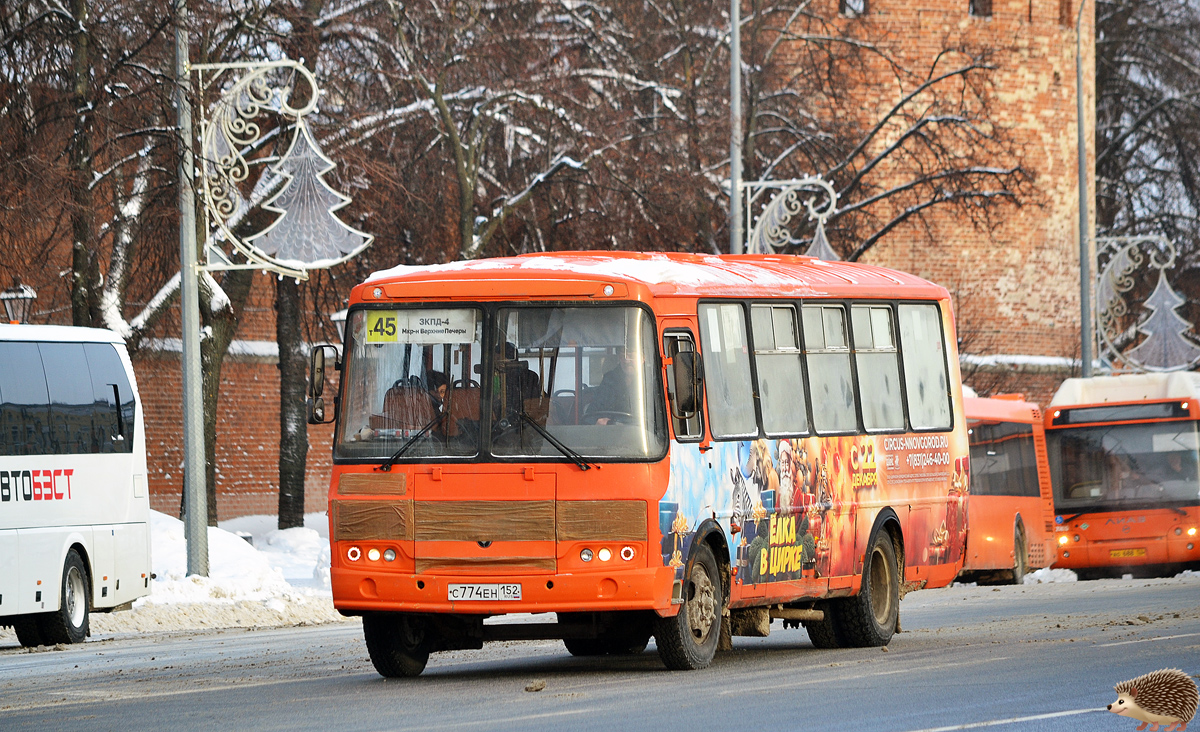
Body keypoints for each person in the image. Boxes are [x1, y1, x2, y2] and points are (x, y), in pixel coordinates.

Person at [587, 348, 637, 424]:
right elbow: (590, 414)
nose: (626, 361)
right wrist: (596, 421)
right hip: (610, 432)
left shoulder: (654, 381)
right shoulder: (609, 381)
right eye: (622, 356)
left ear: (643, 358)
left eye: (631, 356)